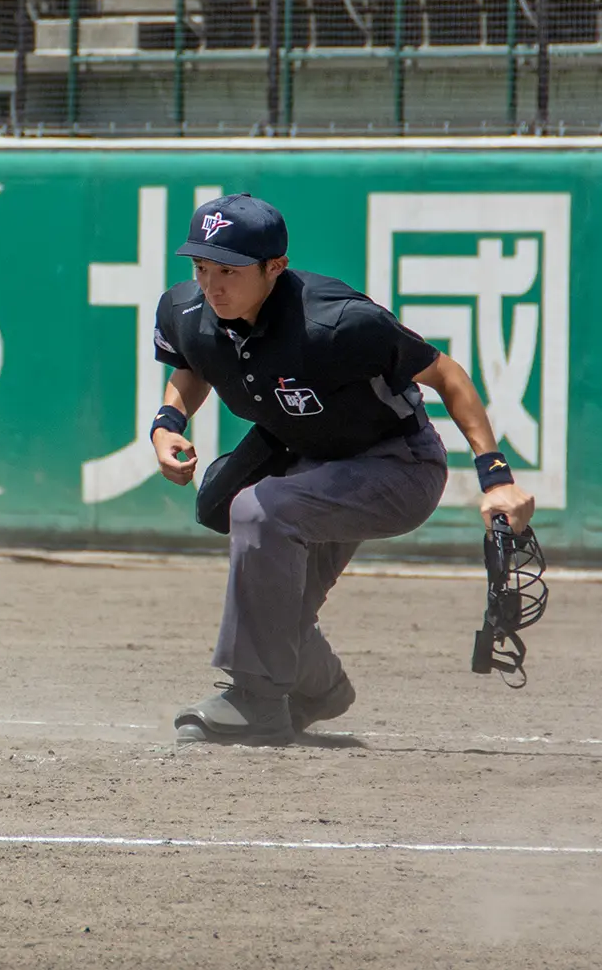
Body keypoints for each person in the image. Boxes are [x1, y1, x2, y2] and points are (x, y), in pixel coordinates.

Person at [149, 193, 537, 745]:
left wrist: (497, 477)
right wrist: (168, 423)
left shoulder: (338, 322)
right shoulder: (187, 310)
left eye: (229, 271)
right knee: (275, 609)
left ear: (274, 268)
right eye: (201, 267)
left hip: (397, 467)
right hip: (311, 460)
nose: (212, 285)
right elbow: (193, 365)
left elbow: (447, 375)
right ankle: (319, 691)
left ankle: (257, 701)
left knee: (259, 510)